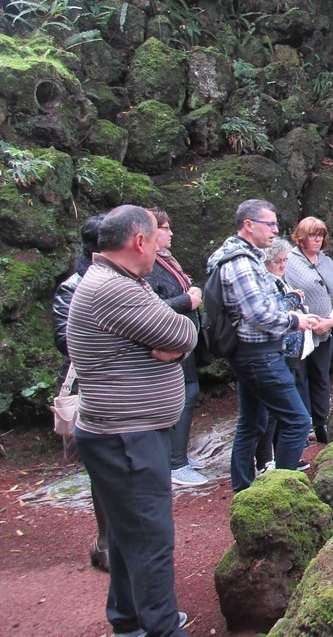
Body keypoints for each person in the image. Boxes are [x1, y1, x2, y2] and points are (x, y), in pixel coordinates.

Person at [67, 205, 197, 637]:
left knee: (128, 534)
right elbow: (184, 332)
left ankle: (128, 621)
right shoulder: (114, 289)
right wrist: (173, 344)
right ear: (140, 241)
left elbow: (175, 333)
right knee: (151, 538)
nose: (162, 247)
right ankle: (162, 628)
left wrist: (170, 345)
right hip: (126, 436)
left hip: (124, 431)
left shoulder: (120, 281)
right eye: (158, 239)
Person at [208, 199, 320, 493]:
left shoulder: (242, 257)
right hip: (259, 355)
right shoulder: (241, 263)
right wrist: (295, 320)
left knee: (252, 423)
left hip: (252, 354)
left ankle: (244, 490)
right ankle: (279, 495)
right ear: (249, 225)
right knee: (297, 421)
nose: (274, 230)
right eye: (269, 224)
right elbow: (258, 315)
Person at [51, 213, 109, 571]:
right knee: (101, 469)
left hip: (119, 386)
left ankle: (114, 541)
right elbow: (65, 339)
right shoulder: (72, 287)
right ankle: (106, 542)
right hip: (89, 386)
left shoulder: (128, 280)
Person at [145, 209, 207, 487]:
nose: (171, 233)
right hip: (166, 345)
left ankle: (178, 455)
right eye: (165, 228)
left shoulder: (166, 260)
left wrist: (191, 293)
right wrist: (186, 300)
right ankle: (175, 464)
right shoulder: (148, 266)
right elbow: (149, 308)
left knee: (189, 395)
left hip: (183, 342)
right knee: (179, 398)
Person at [285, 216, 333, 444]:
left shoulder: (326, 262)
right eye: (313, 235)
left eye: (321, 235)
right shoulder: (290, 262)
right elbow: (285, 297)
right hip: (299, 333)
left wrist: (330, 321)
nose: (318, 239)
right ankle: (302, 428)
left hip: (325, 331)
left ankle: (322, 424)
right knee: (299, 380)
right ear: (302, 237)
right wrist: (307, 321)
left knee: (321, 378)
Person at [255, 239, 310, 473]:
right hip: (275, 352)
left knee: (283, 413)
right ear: (267, 261)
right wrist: (294, 298)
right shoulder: (264, 281)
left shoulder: (279, 278)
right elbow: (274, 313)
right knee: (270, 412)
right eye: (278, 261)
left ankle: (283, 457)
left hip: (289, 351)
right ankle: (265, 461)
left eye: (285, 260)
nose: (283, 264)